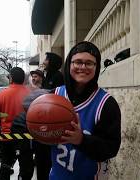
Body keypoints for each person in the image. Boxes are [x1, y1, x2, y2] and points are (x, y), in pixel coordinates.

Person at [50, 41, 121, 179]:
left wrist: (81, 140)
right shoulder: (54, 95)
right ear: (69, 64)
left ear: (97, 67)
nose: (83, 67)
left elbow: (111, 148)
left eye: (89, 63)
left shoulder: (106, 104)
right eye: (77, 62)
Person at [0, 67, 30, 180]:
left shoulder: (2, 94)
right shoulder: (30, 94)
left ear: (12, 78)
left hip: (7, 136)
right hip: (25, 136)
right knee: (25, 167)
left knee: (5, 165)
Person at [33, 52, 64, 180]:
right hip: (42, 123)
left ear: (51, 61)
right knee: (41, 160)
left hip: (52, 124)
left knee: (48, 160)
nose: (44, 61)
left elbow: (57, 99)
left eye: (46, 59)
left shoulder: (58, 77)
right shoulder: (47, 76)